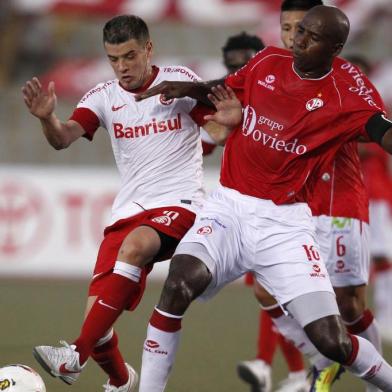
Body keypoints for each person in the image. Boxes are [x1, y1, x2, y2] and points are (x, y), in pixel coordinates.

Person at [134, 5, 392, 392]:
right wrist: (191, 88)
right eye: (299, 30)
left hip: (285, 224)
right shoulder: (269, 60)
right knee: (178, 284)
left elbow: (382, 130)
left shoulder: (349, 91)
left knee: (332, 340)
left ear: (336, 47)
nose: (299, 40)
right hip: (230, 207)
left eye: (311, 36)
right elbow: (226, 87)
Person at [21, 14, 215, 392]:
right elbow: (63, 138)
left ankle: (73, 356)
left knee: (136, 247)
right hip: (129, 211)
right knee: (98, 321)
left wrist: (227, 124)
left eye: (129, 56)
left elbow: (219, 126)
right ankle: (121, 381)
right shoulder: (103, 97)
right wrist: (47, 119)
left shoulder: (179, 84)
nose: (122, 67)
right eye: (114, 59)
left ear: (148, 48)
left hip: (180, 202)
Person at [239, 1, 385, 392]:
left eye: (301, 29)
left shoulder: (340, 82)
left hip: (337, 205)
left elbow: (373, 126)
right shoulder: (274, 72)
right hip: (296, 207)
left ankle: (376, 383)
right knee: (265, 287)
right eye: (288, 29)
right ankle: (322, 362)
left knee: (349, 304)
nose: (293, 37)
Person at [201, 30, 308, 392]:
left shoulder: (282, 93)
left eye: (245, 64)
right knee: (267, 289)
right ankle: (288, 369)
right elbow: (209, 139)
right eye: (233, 66)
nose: (239, 71)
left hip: (291, 206)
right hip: (249, 204)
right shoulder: (230, 97)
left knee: (274, 289)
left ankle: (302, 366)